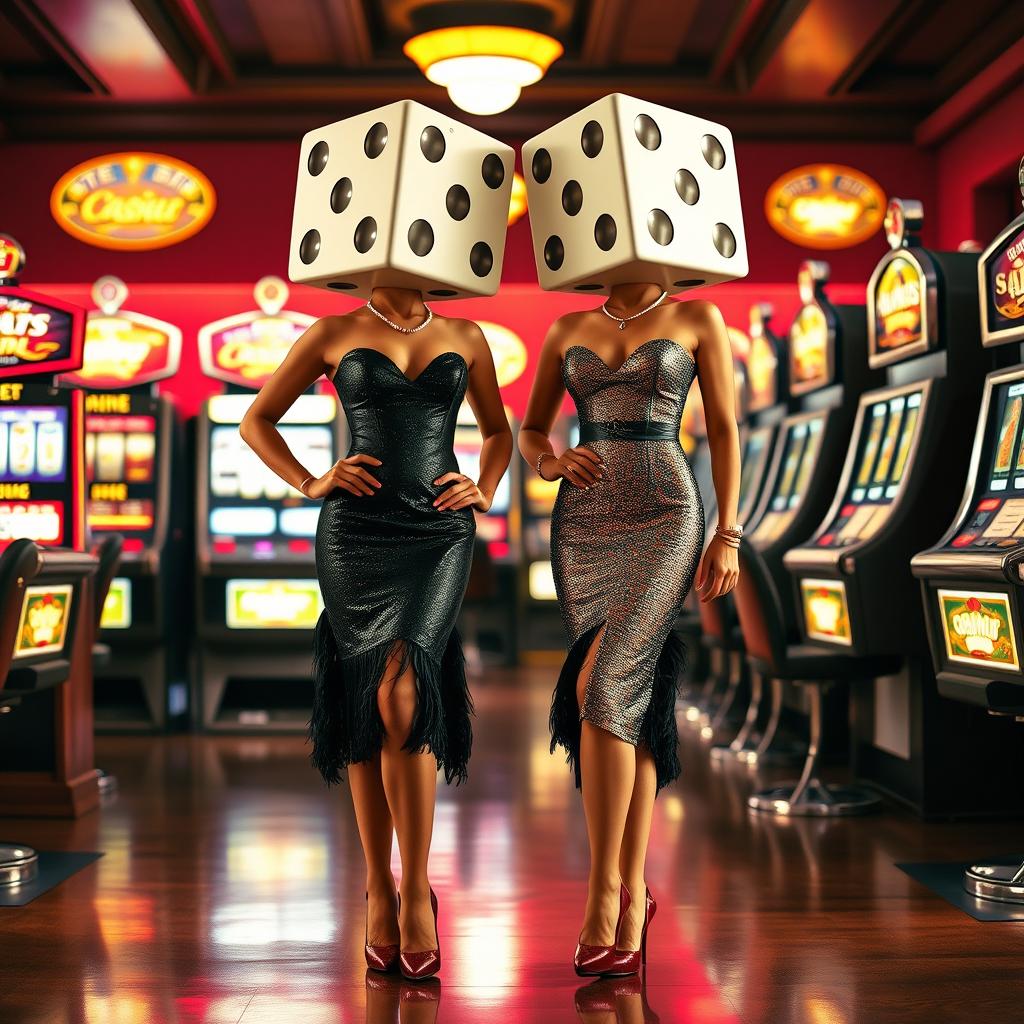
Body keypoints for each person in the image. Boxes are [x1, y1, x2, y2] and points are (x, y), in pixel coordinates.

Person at [240, 286, 512, 980]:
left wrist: (485, 482)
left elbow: (501, 430)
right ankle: (376, 887)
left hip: (439, 532)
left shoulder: (468, 334)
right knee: (369, 696)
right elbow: (257, 421)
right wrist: (310, 481)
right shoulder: (332, 331)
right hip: (354, 532)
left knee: (404, 696)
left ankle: (417, 886)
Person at [518, 283, 740, 975]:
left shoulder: (698, 315)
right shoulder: (568, 325)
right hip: (583, 519)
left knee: (602, 685)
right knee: (623, 701)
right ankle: (633, 891)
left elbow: (727, 428)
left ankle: (604, 890)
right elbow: (530, 430)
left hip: (667, 508)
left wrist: (728, 531)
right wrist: (551, 461)